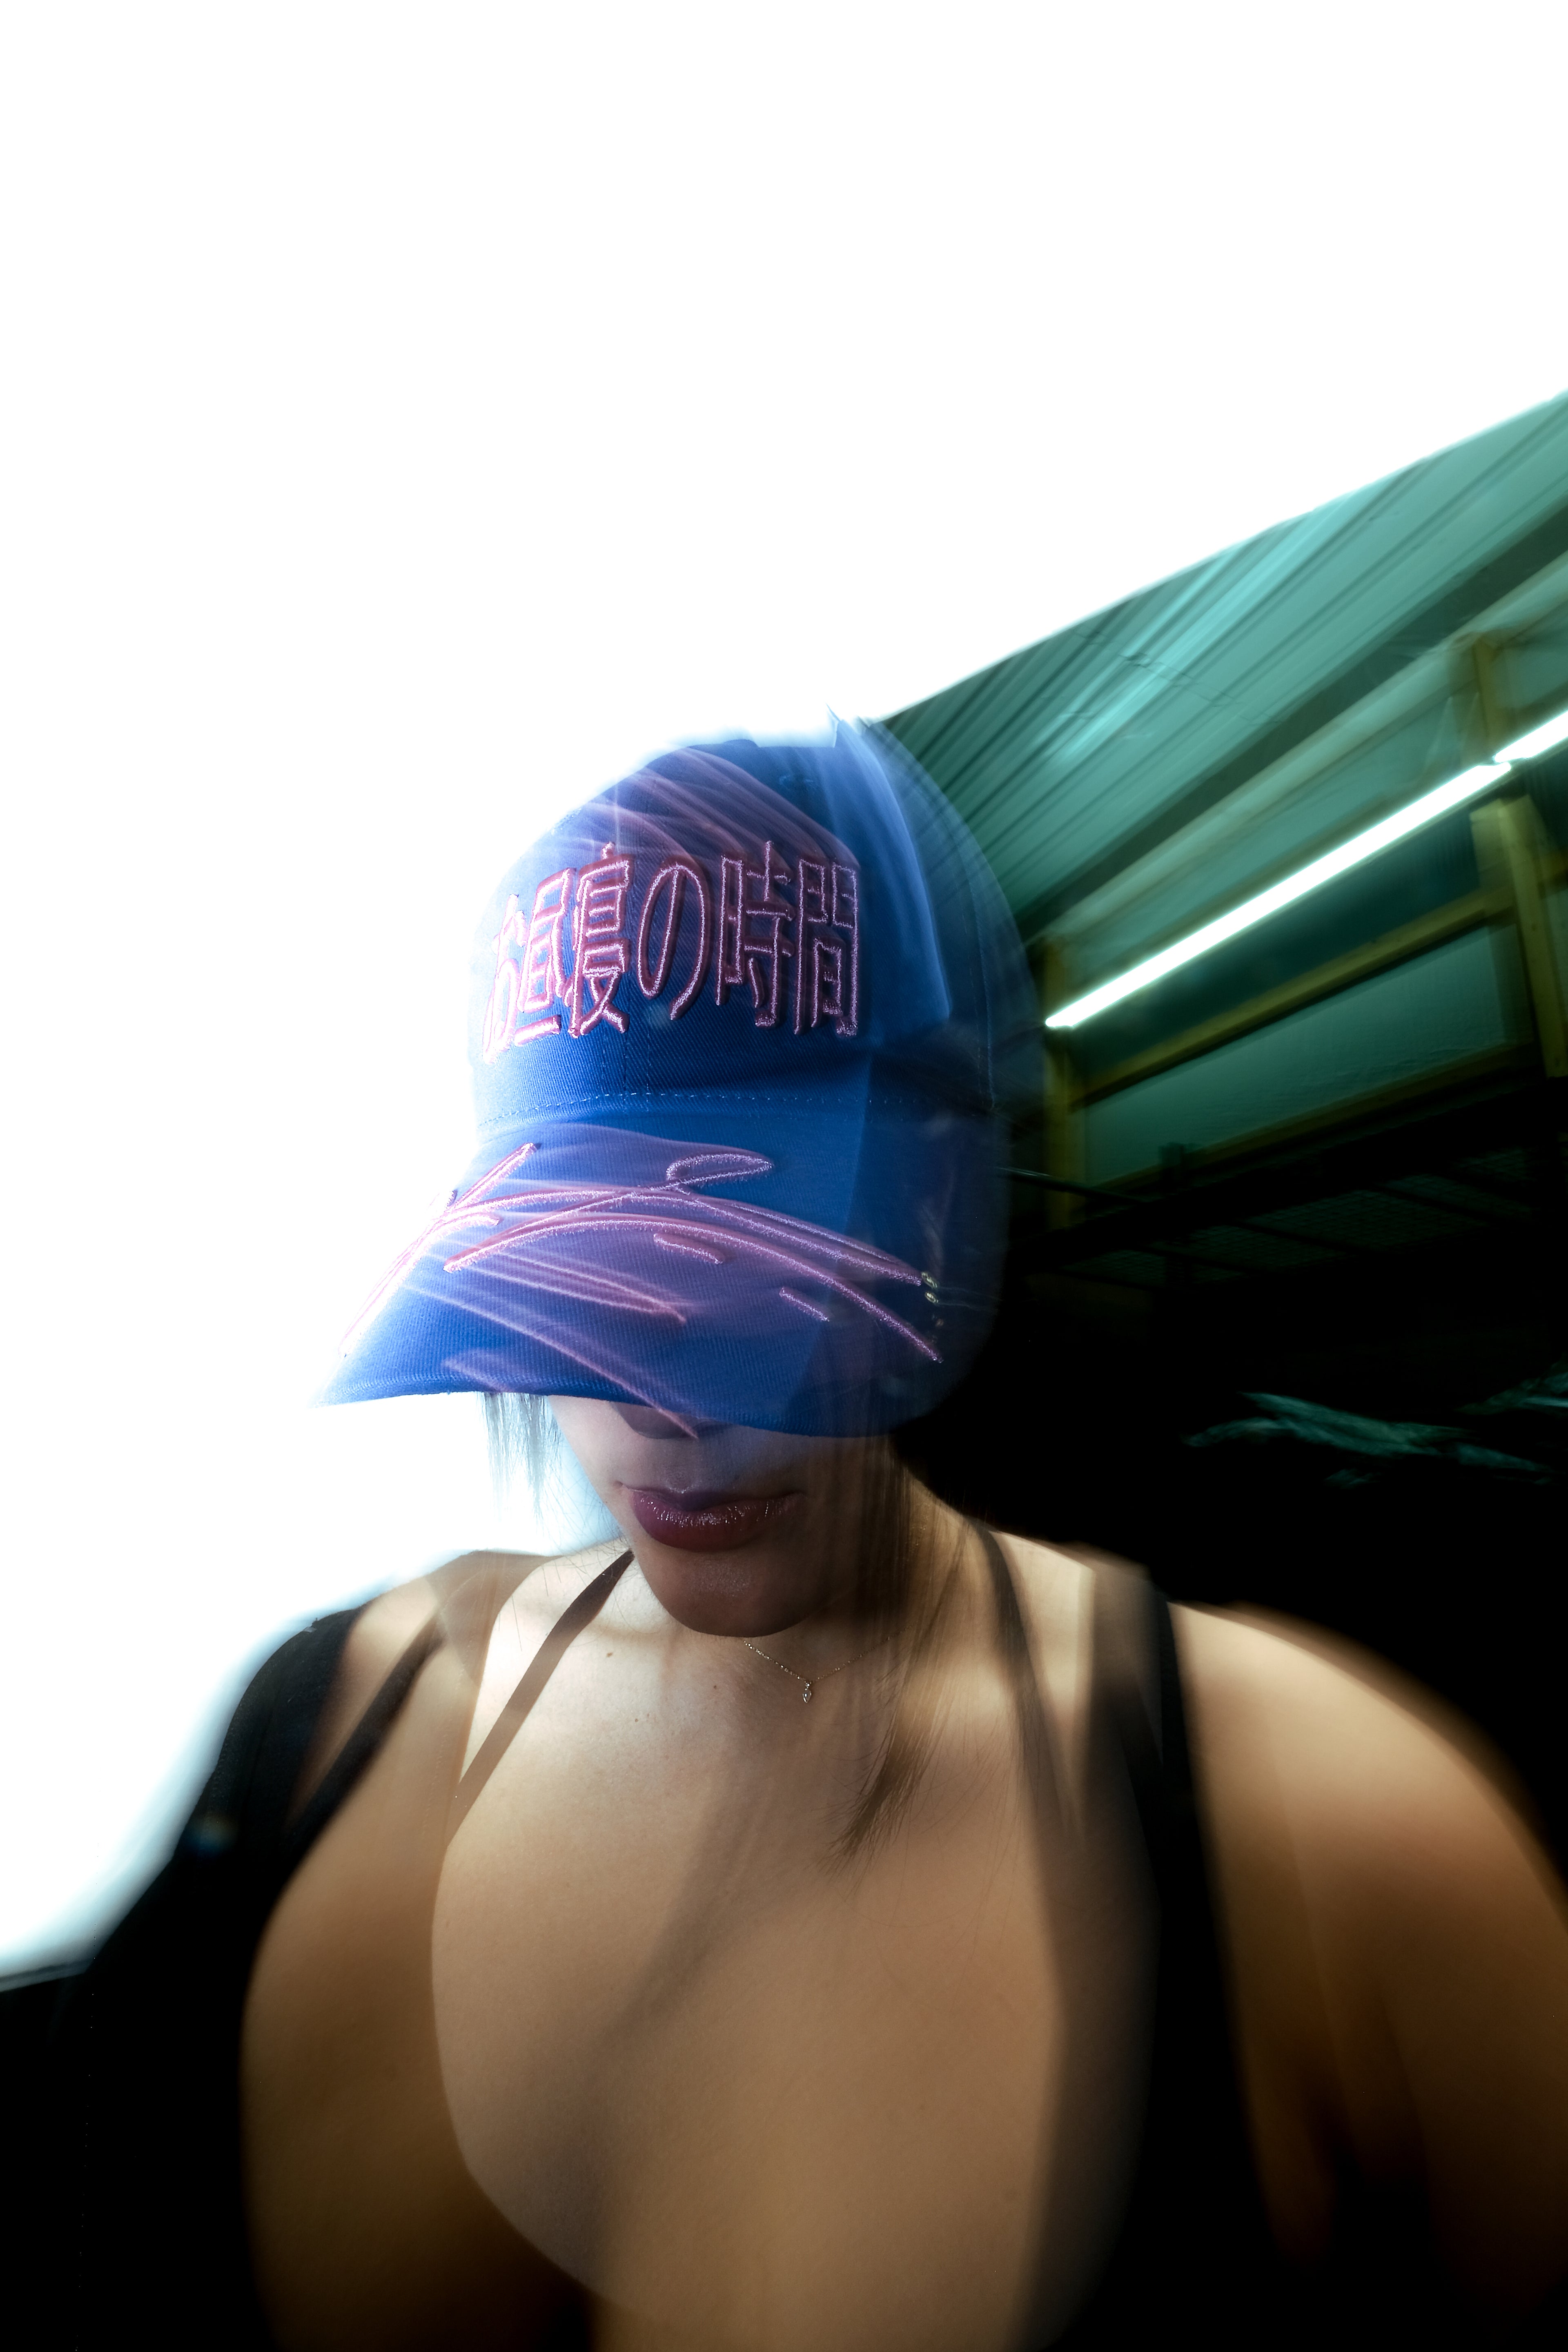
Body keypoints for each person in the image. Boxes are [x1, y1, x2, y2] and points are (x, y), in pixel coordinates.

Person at [13, 728, 1568, 2350]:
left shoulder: (1345, 1857)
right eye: (582, 1281)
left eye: (751, 1275)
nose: (661, 1405)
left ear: (938, 1220)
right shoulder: (329, 1722)